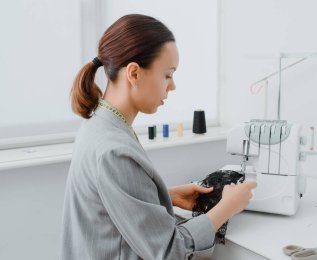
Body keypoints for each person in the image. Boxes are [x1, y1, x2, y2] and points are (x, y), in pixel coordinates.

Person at [60, 14, 257, 260]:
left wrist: (166, 194)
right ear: (134, 73)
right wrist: (228, 207)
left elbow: (107, 204)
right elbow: (168, 251)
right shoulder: (115, 150)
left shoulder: (98, 125)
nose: (172, 86)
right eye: (167, 75)